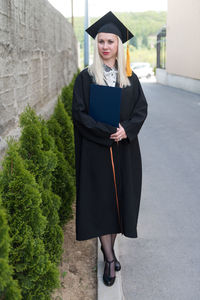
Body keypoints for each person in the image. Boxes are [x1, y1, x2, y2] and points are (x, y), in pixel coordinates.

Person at [72, 11, 148, 287]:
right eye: (101, 42)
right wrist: (108, 132)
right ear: (96, 45)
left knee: (118, 206)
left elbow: (141, 109)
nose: (105, 46)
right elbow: (79, 115)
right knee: (102, 206)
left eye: (110, 41)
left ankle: (111, 249)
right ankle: (108, 255)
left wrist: (126, 129)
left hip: (124, 152)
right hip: (96, 153)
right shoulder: (86, 78)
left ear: (119, 45)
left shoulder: (130, 78)